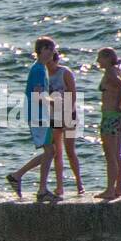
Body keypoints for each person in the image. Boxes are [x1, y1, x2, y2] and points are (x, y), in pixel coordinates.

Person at [6, 37, 58, 202]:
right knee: (50, 151)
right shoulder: (38, 70)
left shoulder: (41, 69)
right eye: (48, 48)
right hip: (38, 116)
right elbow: (37, 95)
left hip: (40, 115)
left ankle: (22, 177)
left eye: (53, 49)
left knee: (50, 151)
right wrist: (54, 102)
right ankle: (38, 187)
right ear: (41, 50)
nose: (51, 52)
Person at [95, 49, 121, 201]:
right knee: (117, 154)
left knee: (110, 155)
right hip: (118, 117)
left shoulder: (110, 72)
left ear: (108, 59)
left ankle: (110, 190)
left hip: (111, 116)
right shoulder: (118, 70)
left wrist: (119, 103)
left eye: (100, 58)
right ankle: (119, 188)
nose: (98, 61)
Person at [46, 49, 83, 197]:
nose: (49, 66)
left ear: (56, 60)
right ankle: (60, 186)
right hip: (54, 115)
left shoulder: (64, 72)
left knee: (70, 150)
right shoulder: (45, 75)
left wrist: (69, 111)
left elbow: (73, 93)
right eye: (47, 63)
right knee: (57, 152)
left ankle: (79, 183)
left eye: (50, 62)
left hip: (69, 113)